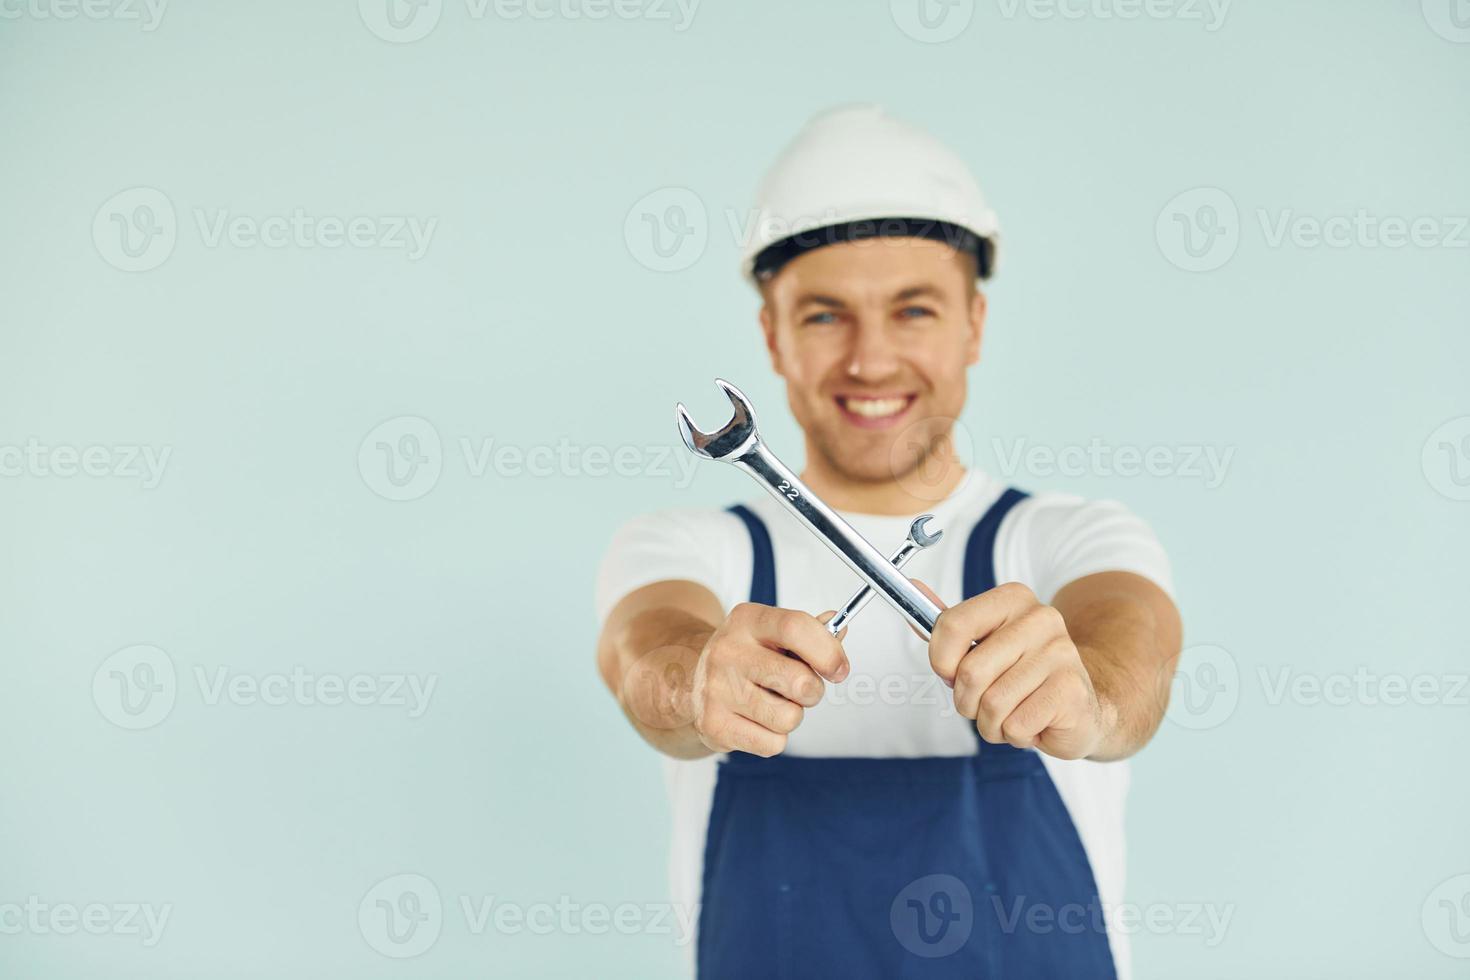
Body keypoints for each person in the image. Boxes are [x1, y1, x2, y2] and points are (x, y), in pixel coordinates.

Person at [594, 104, 1182, 979]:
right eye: (826, 316)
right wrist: (694, 683)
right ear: (772, 337)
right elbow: (647, 659)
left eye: (913, 310)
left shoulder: (1068, 538)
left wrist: (1086, 696)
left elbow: (1132, 662)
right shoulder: (689, 549)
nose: (870, 361)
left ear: (974, 325)